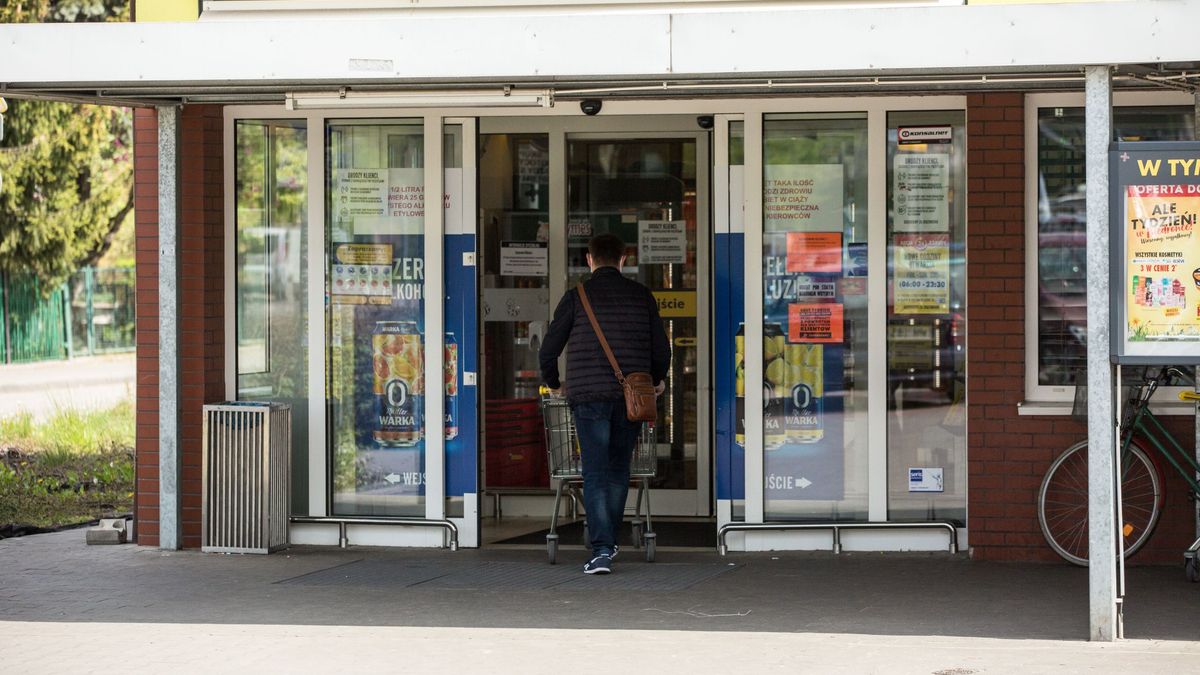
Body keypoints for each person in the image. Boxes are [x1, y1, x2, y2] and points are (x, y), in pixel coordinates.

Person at [539, 233, 670, 575]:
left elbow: (548, 350)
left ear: (589, 259)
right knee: (618, 470)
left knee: (595, 471)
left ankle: (602, 549)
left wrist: (554, 384)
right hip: (631, 398)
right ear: (624, 259)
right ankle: (607, 542)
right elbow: (662, 349)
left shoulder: (576, 297)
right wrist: (656, 380)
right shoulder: (642, 296)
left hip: (588, 398)